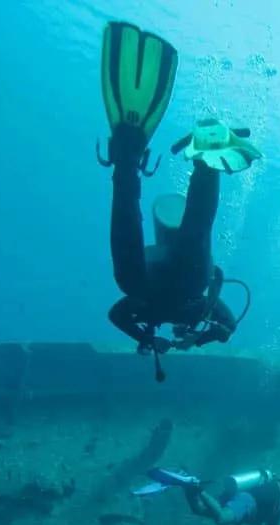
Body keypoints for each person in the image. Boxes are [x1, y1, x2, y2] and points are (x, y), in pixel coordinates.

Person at [98, 21, 260, 381]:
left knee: (177, 246)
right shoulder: (202, 309)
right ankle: (196, 162)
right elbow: (228, 326)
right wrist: (195, 339)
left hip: (157, 278)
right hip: (181, 279)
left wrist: (150, 338)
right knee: (190, 242)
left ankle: (137, 158)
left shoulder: (165, 309)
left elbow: (116, 315)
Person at [133, 468, 280, 525]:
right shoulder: (279, 504)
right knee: (221, 518)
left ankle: (189, 485)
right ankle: (196, 487)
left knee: (198, 509)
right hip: (247, 502)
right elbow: (272, 524)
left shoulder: (273, 492)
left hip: (239, 497)